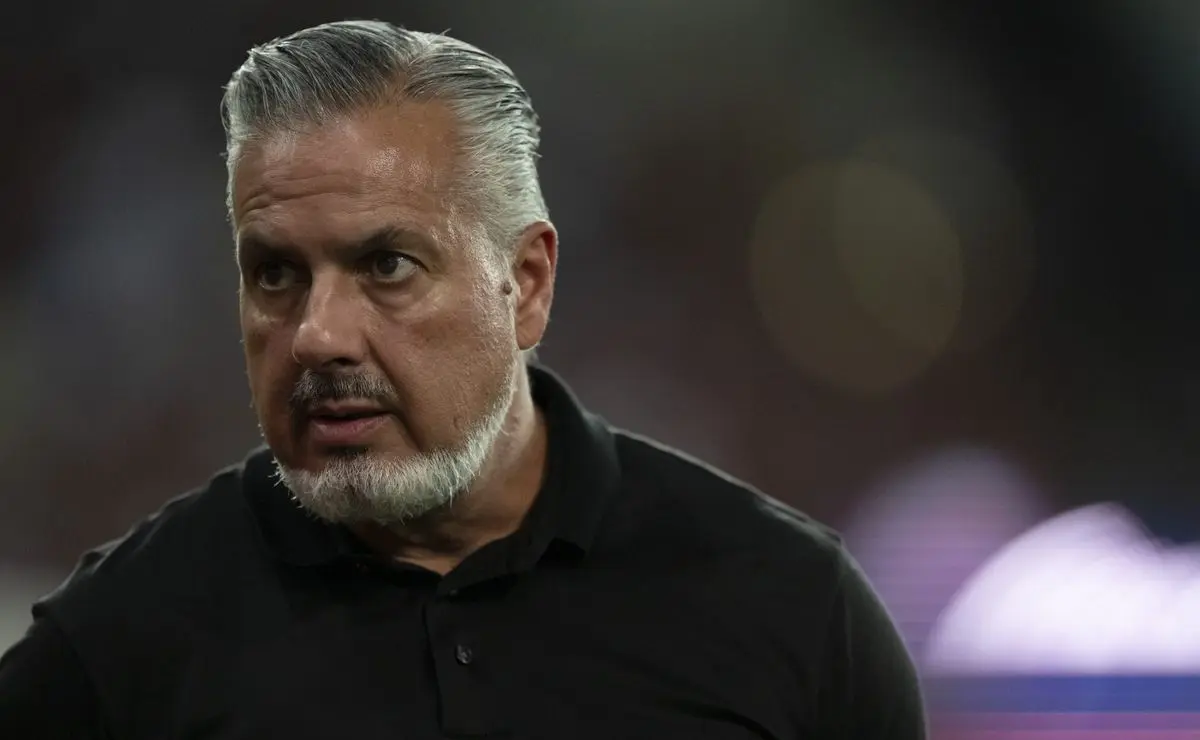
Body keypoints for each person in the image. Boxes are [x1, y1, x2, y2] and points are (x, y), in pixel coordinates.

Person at [0, 20, 926, 739]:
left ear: (526, 284)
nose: (317, 335)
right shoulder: (118, 642)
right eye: (275, 273)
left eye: (387, 266)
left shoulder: (795, 609)